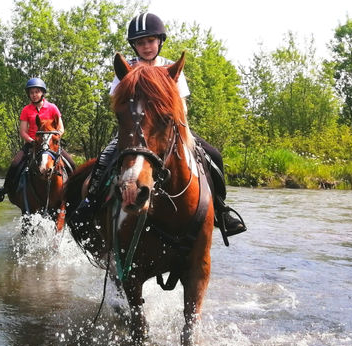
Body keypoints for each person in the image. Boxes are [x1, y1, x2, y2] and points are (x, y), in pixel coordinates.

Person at [73, 12, 246, 241]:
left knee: (213, 156)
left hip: (168, 129)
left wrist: (172, 123)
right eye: (140, 42)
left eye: (150, 41)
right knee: (104, 160)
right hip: (133, 132)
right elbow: (118, 102)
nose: (146, 46)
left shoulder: (171, 68)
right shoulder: (127, 67)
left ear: (160, 41)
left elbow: (181, 105)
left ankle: (221, 211)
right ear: (134, 46)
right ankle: (90, 204)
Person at [0, 78, 76, 202]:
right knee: (15, 164)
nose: (34, 95)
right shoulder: (26, 110)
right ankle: (5, 189)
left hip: (51, 145)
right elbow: (23, 131)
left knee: (71, 164)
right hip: (33, 144)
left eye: (37, 92)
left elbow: (61, 128)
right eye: (31, 92)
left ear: (42, 93)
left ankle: (74, 193)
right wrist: (32, 141)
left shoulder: (52, 108)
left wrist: (54, 137)